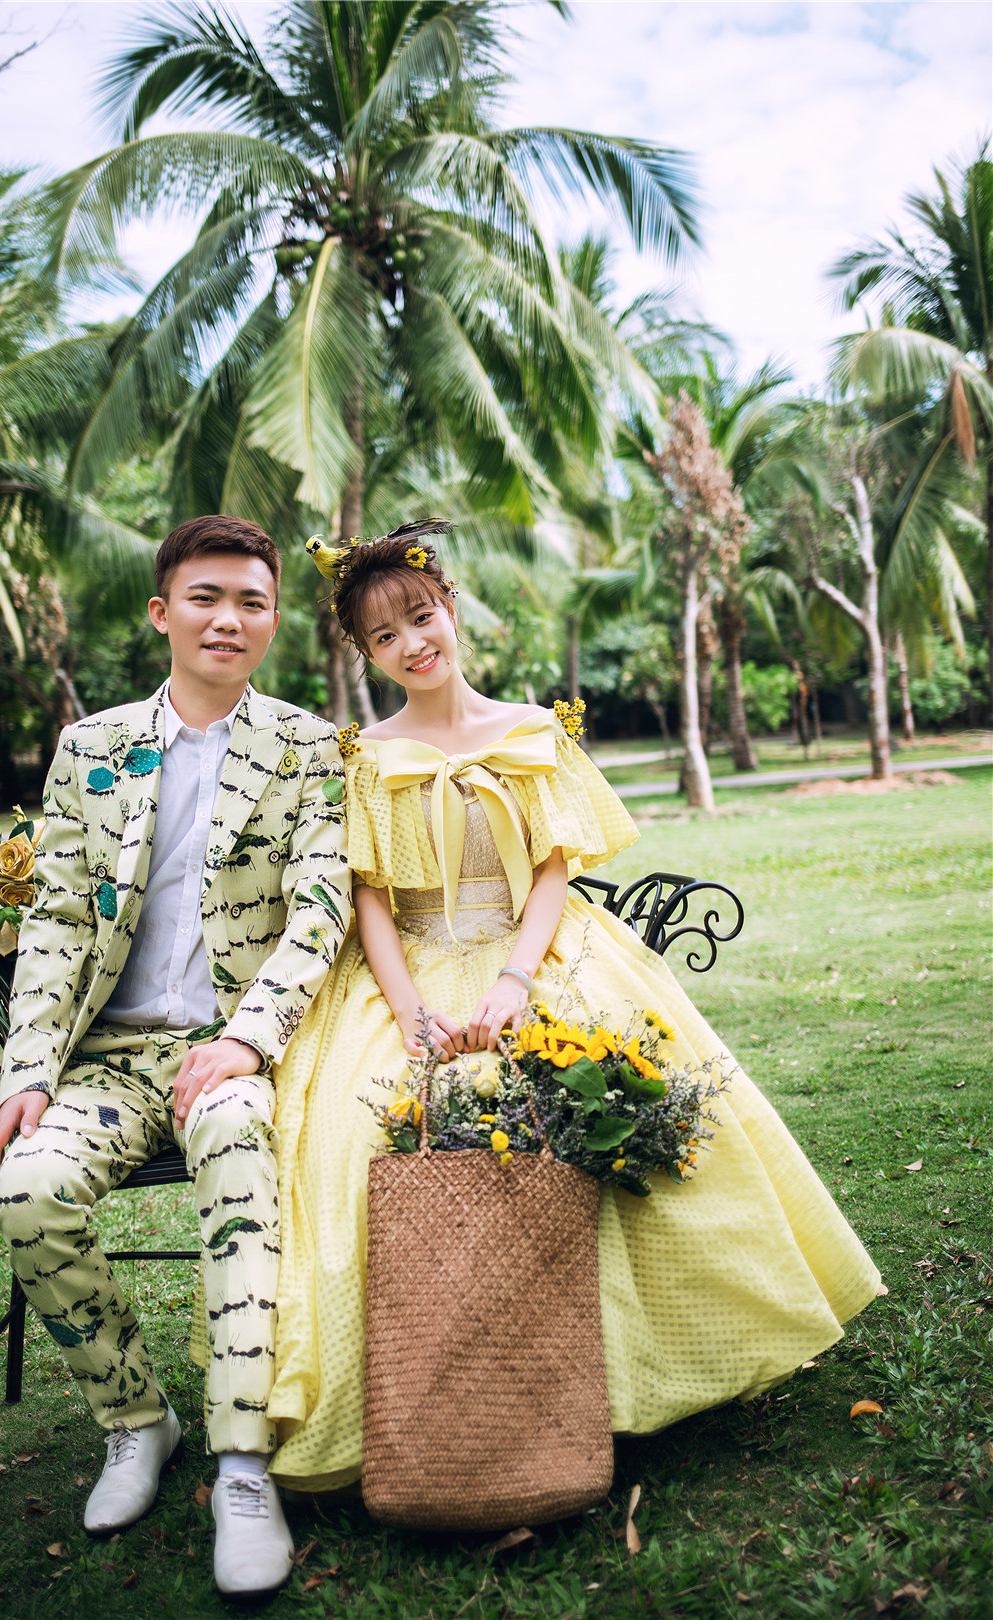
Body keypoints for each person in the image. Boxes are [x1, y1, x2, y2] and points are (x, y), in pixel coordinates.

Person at [249, 522, 881, 1497]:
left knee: (608, 1103)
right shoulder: (364, 757)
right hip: (409, 966)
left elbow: (553, 870)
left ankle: (631, 1375)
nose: (412, 644)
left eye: (421, 618)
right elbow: (369, 896)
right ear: (365, 655)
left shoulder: (533, 731)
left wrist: (513, 981)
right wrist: (411, 1010)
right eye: (385, 637)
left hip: (536, 950)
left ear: (450, 608)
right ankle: (438, 1390)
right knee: (355, 1137)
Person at [0, 515, 351, 1599]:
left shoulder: (311, 748)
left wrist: (246, 1039)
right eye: (206, 597)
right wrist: (28, 1076)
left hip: (229, 1054)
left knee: (238, 1151)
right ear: (162, 613)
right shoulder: (91, 747)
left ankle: (243, 1465)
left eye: (251, 601)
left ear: (273, 621)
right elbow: (55, 922)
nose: (228, 619)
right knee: (26, 1190)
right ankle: (137, 1420)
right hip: (106, 1060)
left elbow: (320, 911)